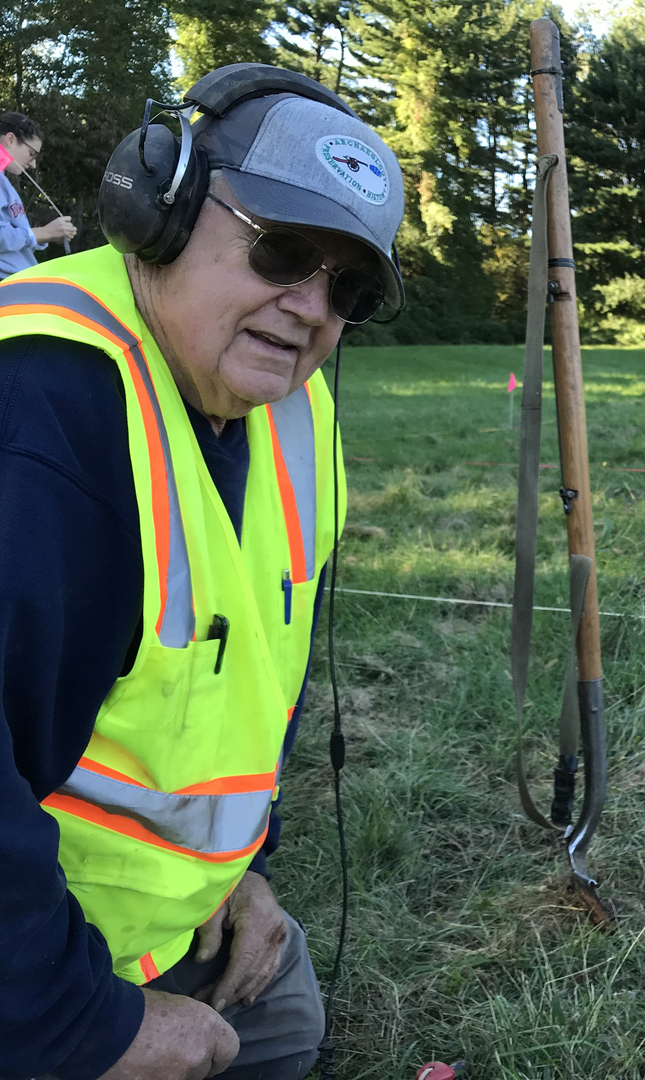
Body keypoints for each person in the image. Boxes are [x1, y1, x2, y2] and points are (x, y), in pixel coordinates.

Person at [0, 65, 402, 1079]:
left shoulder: (293, 416)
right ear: (160, 211)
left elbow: (244, 685)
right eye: (281, 250)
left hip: (165, 920)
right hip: (34, 969)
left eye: (347, 288)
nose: (309, 307)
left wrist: (242, 870)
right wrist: (80, 1025)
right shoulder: (41, 412)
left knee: (287, 1026)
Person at [0, 112, 76, 278]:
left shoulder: (3, 182)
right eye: (31, 153)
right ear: (10, 140)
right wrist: (45, 232)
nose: (33, 164)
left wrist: (48, 236)